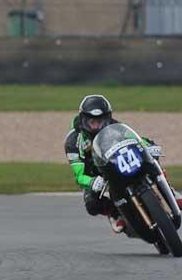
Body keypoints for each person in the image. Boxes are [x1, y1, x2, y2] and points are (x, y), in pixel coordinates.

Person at [64, 94, 181, 233]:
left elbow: (133, 139)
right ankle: (115, 214)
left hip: (114, 161)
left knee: (150, 161)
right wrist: (91, 182)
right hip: (94, 173)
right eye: (91, 120)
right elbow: (79, 175)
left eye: (99, 120)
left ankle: (170, 191)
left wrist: (148, 146)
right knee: (92, 204)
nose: (96, 124)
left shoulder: (113, 125)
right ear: (83, 118)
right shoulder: (72, 141)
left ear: (107, 117)